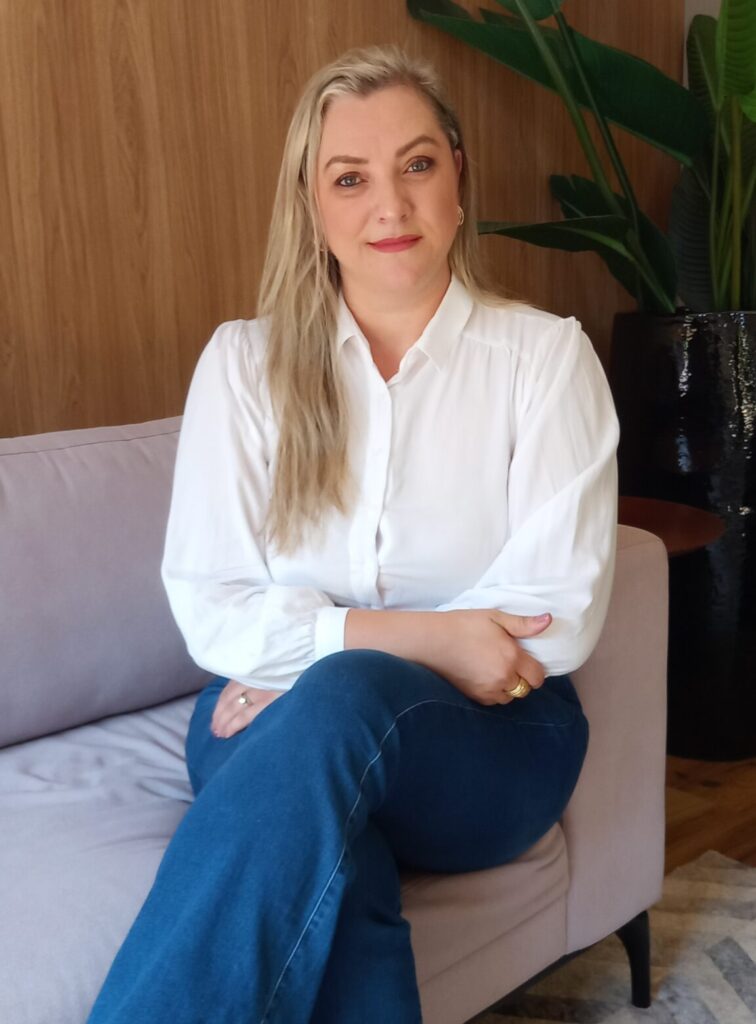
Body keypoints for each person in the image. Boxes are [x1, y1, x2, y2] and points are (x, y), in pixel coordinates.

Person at [87, 42, 619, 1024]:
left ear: (459, 175)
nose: (390, 204)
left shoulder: (546, 360)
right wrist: (433, 637)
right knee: (339, 852)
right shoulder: (243, 367)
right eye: (350, 178)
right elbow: (210, 608)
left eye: (417, 164)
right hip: (272, 716)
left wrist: (310, 653)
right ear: (311, 202)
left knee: (333, 703)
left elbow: (559, 616)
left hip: (494, 743)